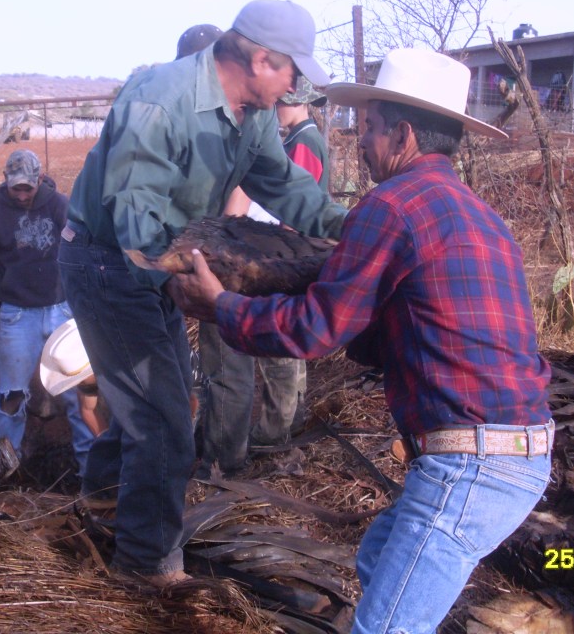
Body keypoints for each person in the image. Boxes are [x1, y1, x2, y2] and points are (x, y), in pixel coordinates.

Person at [169, 47, 553, 633]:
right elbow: (390, 329)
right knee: (377, 555)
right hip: (516, 452)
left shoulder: (392, 205)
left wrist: (221, 306)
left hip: (471, 463)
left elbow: (316, 329)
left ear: (402, 135)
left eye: (370, 127)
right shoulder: (480, 216)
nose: (360, 140)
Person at [59, 0, 346, 588]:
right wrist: (184, 280)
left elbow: (285, 186)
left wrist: (362, 231)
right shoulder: (160, 99)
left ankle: (104, 502)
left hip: (161, 256)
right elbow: (135, 214)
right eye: (293, 72)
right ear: (261, 60)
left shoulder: (254, 115)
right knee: (164, 420)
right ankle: (145, 567)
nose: (295, 87)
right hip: (109, 260)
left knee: (154, 399)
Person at [197, 75, 331, 475]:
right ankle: (278, 428)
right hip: (277, 255)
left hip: (275, 258)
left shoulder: (303, 142)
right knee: (273, 352)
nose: (276, 110)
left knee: (272, 355)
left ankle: (273, 433)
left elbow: (293, 207)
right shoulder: (295, 139)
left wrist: (270, 258)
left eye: (281, 103)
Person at [0, 149, 95, 486]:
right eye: (16, 188)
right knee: (11, 396)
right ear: (5, 181)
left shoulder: (60, 207)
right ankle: (6, 472)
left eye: (28, 188)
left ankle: (92, 474)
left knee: (78, 393)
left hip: (62, 312)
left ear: (40, 180)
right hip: (17, 316)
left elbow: (84, 253)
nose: (22, 195)